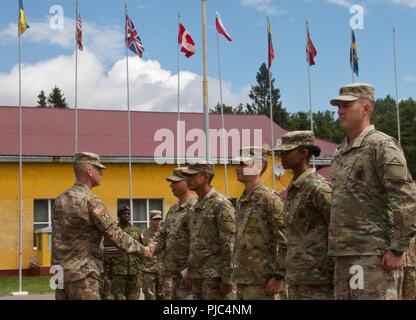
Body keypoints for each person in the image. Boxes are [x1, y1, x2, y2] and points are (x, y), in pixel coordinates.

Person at [329, 83, 416, 300]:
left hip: (374, 257)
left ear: (366, 109)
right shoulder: (340, 152)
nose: (340, 110)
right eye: (338, 106)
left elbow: (405, 198)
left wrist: (398, 248)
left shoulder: (382, 145)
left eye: (347, 105)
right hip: (344, 256)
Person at [52, 152, 152, 300]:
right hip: (82, 274)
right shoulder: (91, 201)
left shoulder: (60, 200)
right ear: (89, 171)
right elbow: (114, 233)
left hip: (59, 273)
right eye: (99, 169)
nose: (102, 173)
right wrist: (143, 250)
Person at [276, 131, 334, 300]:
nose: (282, 156)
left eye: (287, 151)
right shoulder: (294, 188)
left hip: (318, 281)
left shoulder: (318, 188)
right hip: (298, 277)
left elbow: (338, 228)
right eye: (281, 152)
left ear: (304, 153)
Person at [232, 147, 287, 300]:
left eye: (243, 164)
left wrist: (279, 276)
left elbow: (286, 240)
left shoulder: (269, 200)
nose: (237, 168)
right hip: (243, 280)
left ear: (258, 166)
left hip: (263, 283)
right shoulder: (242, 200)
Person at [183, 163, 236, 300]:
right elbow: (194, 242)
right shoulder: (196, 205)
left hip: (215, 278)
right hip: (198, 277)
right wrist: (190, 272)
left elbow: (229, 243)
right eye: (187, 176)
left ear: (205, 177)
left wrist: (227, 279)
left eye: (192, 175)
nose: (187, 179)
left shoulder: (221, 204)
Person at [151, 167, 197, 300]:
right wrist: (152, 247)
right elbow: (163, 235)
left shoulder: (196, 208)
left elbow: (200, 242)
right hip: (174, 275)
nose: (171, 185)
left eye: (175, 182)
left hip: (189, 275)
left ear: (186, 182)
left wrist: (190, 271)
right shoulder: (173, 209)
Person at [107, 205, 142, 300]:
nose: (127, 215)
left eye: (128, 214)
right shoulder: (113, 232)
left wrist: (141, 270)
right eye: (124, 214)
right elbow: (108, 253)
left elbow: (141, 251)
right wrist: (108, 272)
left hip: (134, 272)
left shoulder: (137, 231)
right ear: (119, 215)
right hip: (118, 273)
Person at [141, 210, 164, 300]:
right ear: (150, 220)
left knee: (162, 296)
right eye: (155, 219)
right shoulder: (143, 233)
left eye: (159, 219)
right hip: (149, 270)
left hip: (162, 270)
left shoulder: (164, 233)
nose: (158, 221)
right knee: (149, 296)